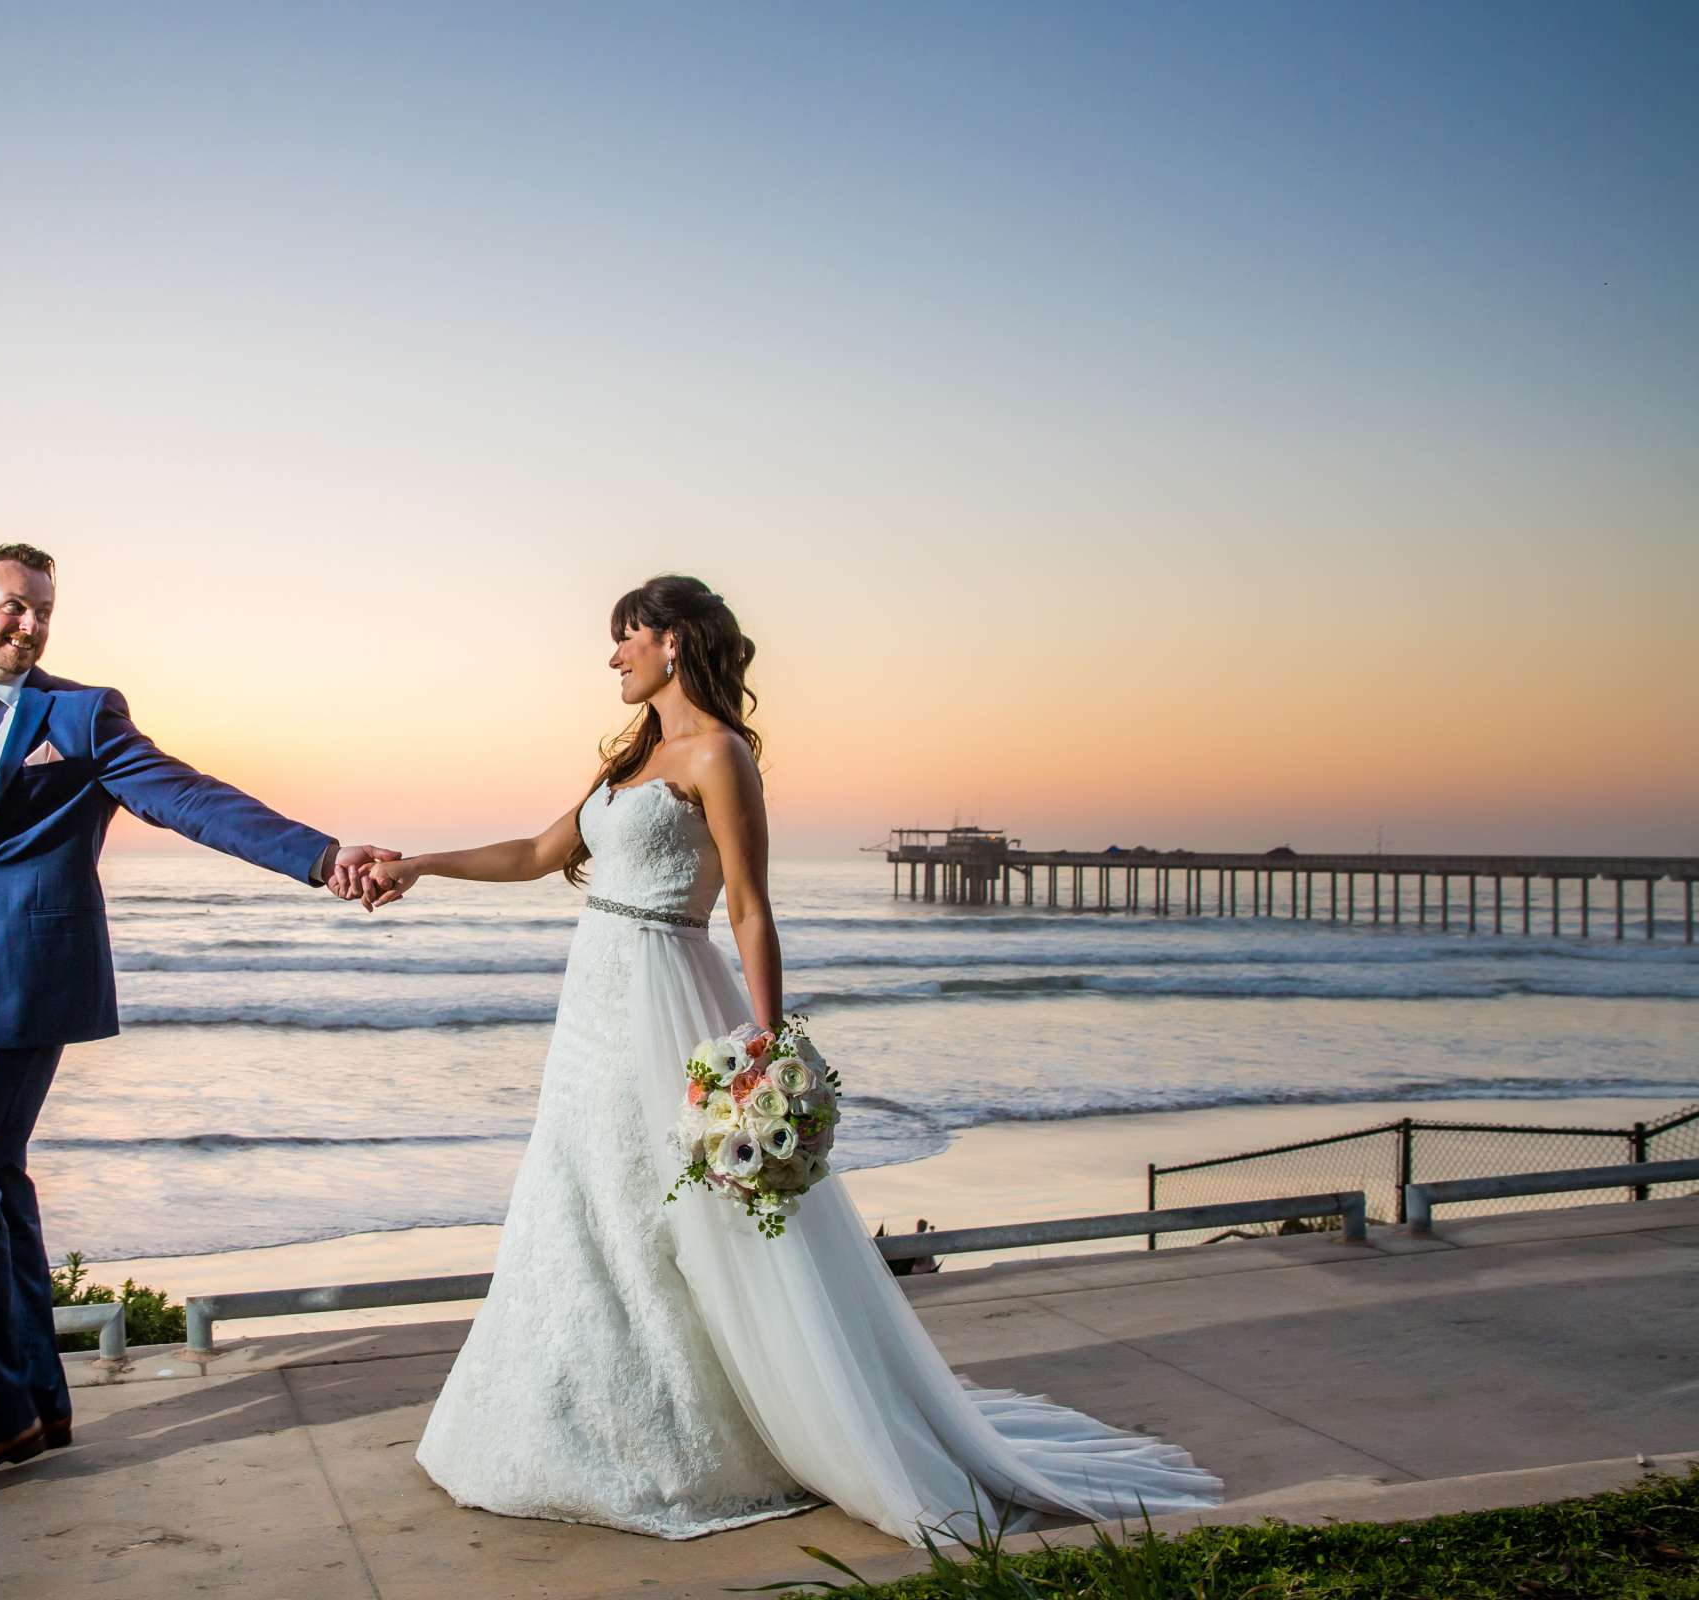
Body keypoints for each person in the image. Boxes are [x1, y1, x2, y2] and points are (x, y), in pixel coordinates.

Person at [368, 574, 1222, 1542]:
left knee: (681, 1211)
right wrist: (417, 863)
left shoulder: (721, 755)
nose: (613, 656)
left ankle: (717, 1435)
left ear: (674, 644)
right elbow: (533, 851)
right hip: (593, 1007)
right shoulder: (632, 757)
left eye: (626, 638)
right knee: (584, 1197)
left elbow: (748, 907)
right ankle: (566, 1417)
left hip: (667, 995)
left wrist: (763, 1053)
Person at [0, 543, 400, 1493]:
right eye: (13, 609)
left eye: (43, 613)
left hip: (29, 985)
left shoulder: (80, 715)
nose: (29, 626)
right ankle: (39, 1405)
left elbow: (189, 798)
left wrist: (319, 857)